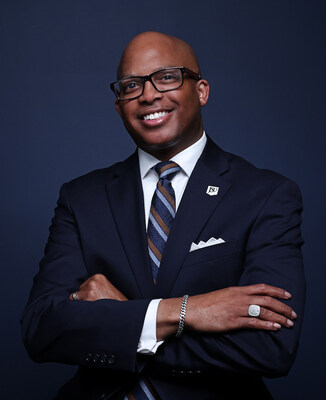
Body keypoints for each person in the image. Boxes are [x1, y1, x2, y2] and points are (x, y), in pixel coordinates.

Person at [21, 31, 305, 400]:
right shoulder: (81, 197)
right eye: (131, 85)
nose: (149, 94)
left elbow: (271, 349)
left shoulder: (266, 195)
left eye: (167, 77)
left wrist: (123, 319)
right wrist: (185, 311)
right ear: (119, 105)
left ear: (201, 91)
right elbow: (41, 330)